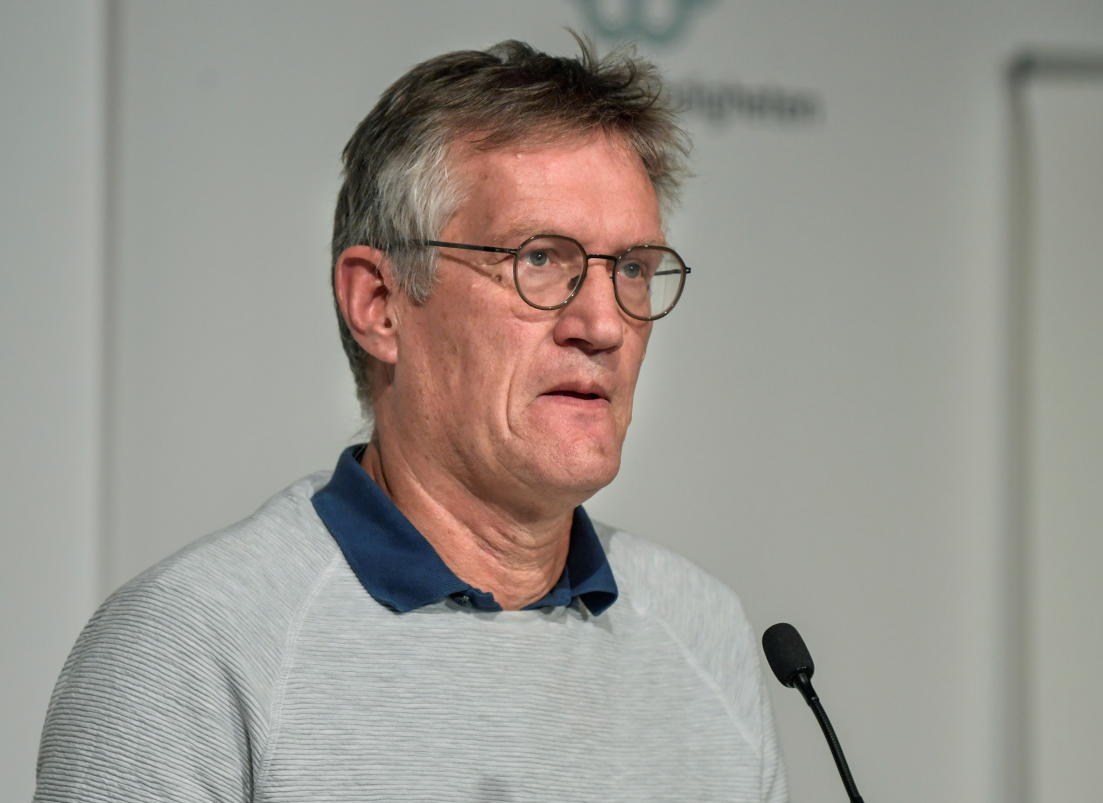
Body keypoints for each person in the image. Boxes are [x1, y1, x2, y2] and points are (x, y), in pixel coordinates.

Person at [35, 37, 787, 802]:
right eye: (539, 259)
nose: (602, 323)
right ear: (379, 304)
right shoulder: (190, 646)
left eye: (629, 268)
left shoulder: (704, 631)